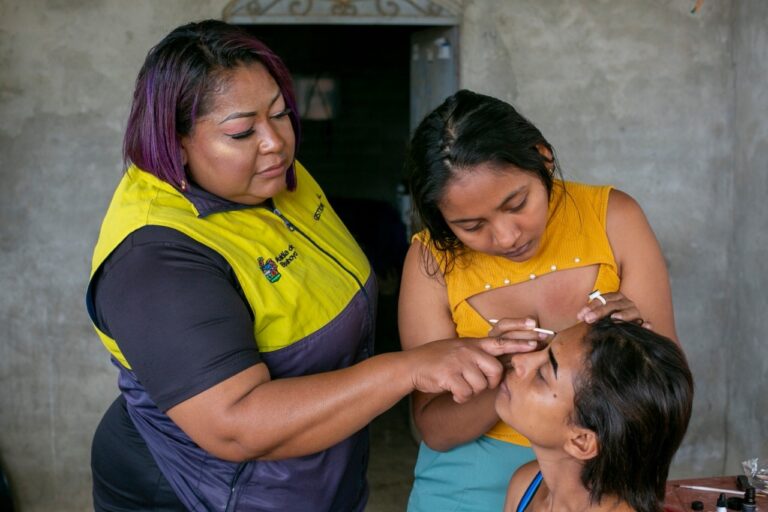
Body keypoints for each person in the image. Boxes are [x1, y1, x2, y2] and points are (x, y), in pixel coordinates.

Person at [85, 21, 537, 512]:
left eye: (280, 114)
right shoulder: (155, 259)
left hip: (309, 481)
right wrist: (408, 368)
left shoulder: (278, 182)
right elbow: (235, 426)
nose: (276, 142)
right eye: (241, 132)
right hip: (205, 493)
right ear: (175, 142)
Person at [400, 89, 680, 511]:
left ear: (543, 157)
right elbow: (433, 427)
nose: (507, 236)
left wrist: (640, 343)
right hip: (465, 483)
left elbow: (662, 400)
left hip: (601, 484)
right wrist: (503, 371)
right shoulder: (430, 260)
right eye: (471, 225)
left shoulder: (614, 219)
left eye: (517, 203)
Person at [499, 319, 693, 512]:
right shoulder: (525, 485)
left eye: (542, 374)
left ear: (582, 441)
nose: (517, 360)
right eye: (545, 346)